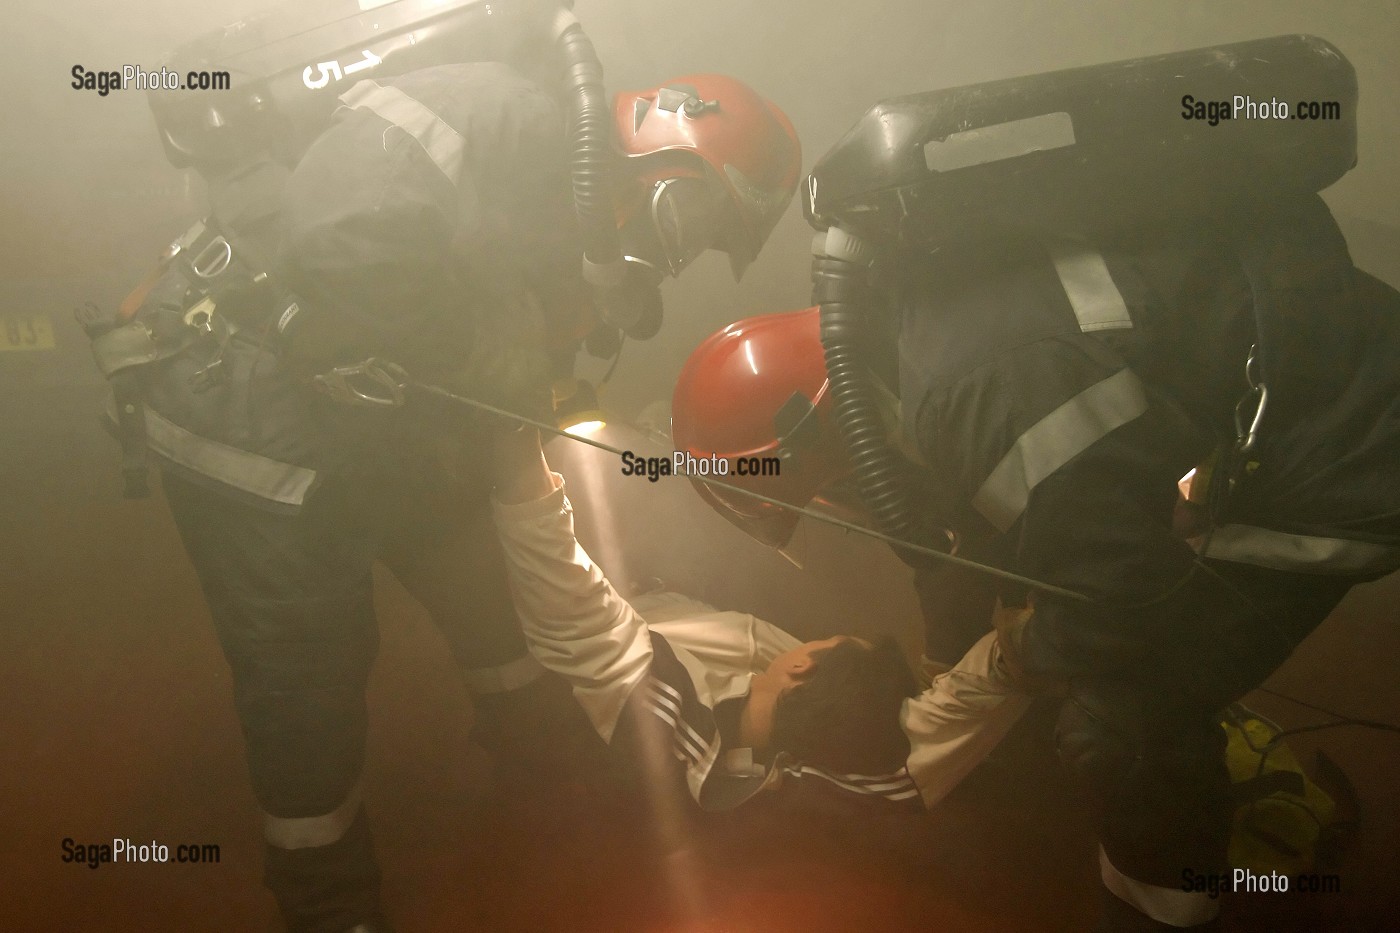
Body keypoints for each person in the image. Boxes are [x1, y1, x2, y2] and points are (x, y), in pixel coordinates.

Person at [89, 17, 802, 929]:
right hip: (250, 410)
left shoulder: (560, 190)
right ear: (677, 154)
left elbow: (451, 295)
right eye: (702, 223)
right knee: (310, 668)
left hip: (364, 407)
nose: (685, 249)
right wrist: (487, 352)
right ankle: (327, 902)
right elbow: (343, 239)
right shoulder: (507, 113)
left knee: (483, 586)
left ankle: (539, 777)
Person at [671, 195, 1400, 931]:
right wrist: (956, 656)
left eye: (821, 487)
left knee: (1117, 717)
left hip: (1350, 454)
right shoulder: (905, 329)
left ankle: (1169, 907)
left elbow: (1119, 601)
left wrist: (1026, 651)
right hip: (1285, 385)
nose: (837, 497)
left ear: (817, 437)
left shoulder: (976, 401)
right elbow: (956, 538)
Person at [490, 423, 1035, 824]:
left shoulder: (661, 711)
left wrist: (516, 445)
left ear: (799, 665)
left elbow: (571, 608)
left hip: (549, 628)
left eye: (831, 641)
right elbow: (958, 703)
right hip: (662, 596)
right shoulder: (847, 756)